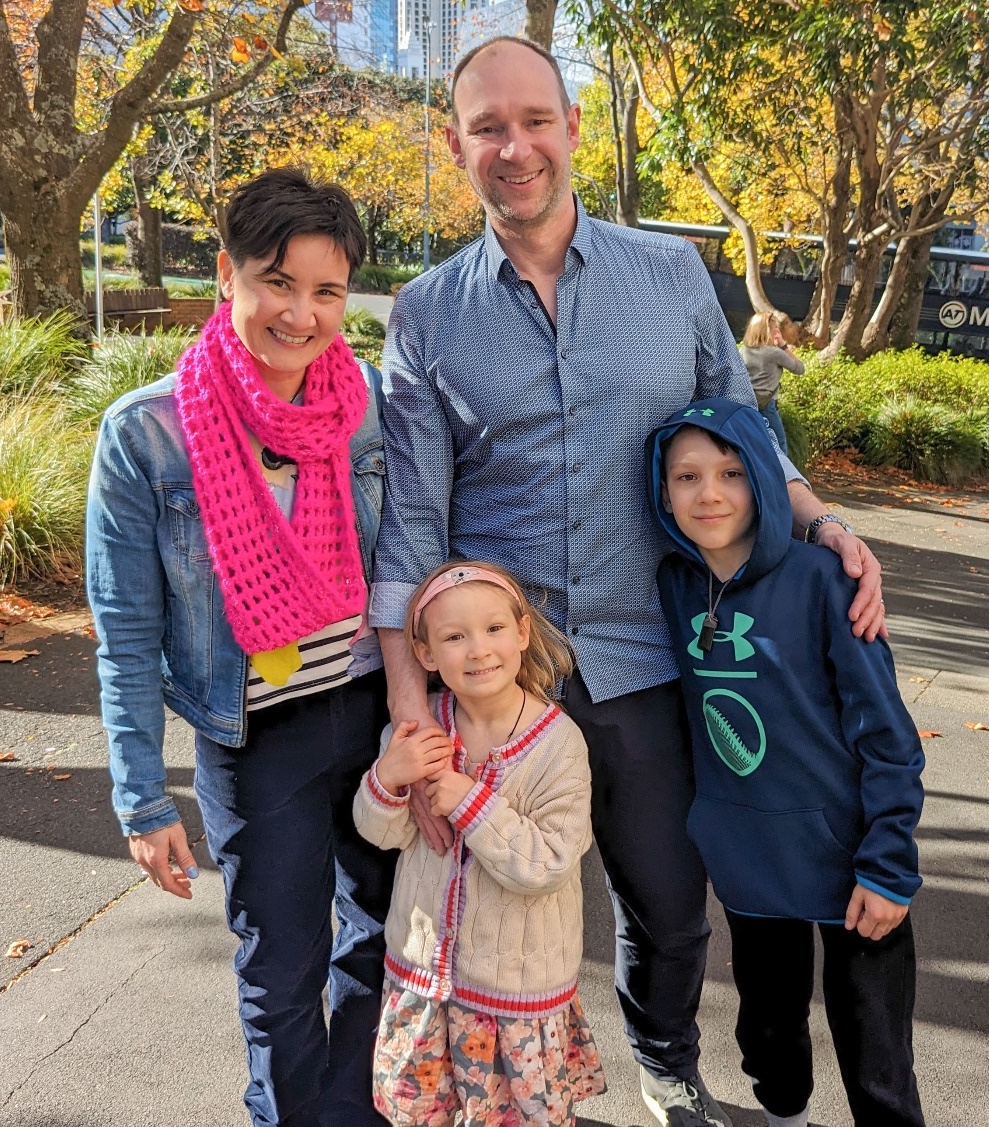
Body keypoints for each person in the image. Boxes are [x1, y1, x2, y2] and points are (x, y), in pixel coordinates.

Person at [369, 35, 886, 1127]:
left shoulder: (669, 276)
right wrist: (409, 716)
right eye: (486, 127)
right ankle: (488, 1083)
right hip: (499, 675)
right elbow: (411, 518)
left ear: (569, 126)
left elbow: (743, 435)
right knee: (489, 894)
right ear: (455, 144)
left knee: (667, 899)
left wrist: (826, 520)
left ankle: (660, 1059)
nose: (514, 147)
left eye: (534, 120)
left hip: (651, 651)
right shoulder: (423, 315)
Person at [86, 168, 396, 1127]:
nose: (301, 314)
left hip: (375, 710)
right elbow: (127, 631)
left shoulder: (366, 403)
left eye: (328, 291)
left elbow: (411, 554)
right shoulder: (148, 434)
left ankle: (354, 1106)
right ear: (228, 274)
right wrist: (141, 798)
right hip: (254, 738)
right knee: (280, 961)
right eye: (278, 281)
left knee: (383, 937)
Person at [647, 398, 925, 1127]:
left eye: (732, 472)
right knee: (767, 1031)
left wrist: (888, 864)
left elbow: (887, 736)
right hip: (748, 861)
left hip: (853, 862)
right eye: (686, 475)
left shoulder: (824, 580)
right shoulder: (672, 586)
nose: (709, 492)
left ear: (766, 479)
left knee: (876, 1049)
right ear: (661, 488)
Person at [354, 561, 606, 1126]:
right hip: (424, 980)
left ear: (522, 633)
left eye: (494, 629)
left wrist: (469, 800)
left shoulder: (557, 745)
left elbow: (550, 863)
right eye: (453, 636)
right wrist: (389, 779)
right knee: (426, 1114)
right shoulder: (419, 732)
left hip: (514, 999)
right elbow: (383, 833)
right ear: (425, 655)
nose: (478, 650)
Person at [739, 311, 805, 453]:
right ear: (766, 330)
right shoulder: (774, 353)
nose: (778, 330)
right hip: (767, 405)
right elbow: (799, 369)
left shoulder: (744, 351)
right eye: (775, 327)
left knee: (751, 446)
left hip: (746, 403)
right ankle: (781, 475)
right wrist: (783, 346)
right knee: (779, 446)